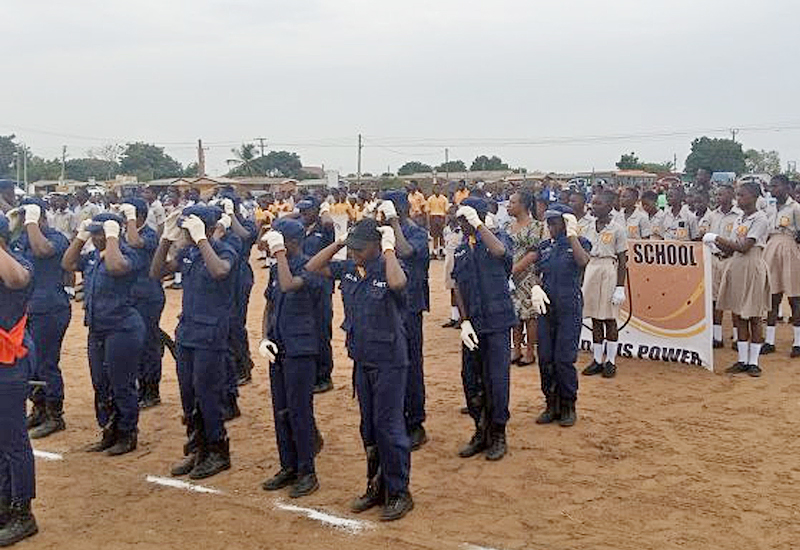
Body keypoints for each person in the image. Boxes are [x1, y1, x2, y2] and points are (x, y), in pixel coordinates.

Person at [305, 218, 413, 520]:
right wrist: (340, 243)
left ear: (376, 246)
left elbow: (398, 284)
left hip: (390, 361)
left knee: (389, 427)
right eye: (351, 248)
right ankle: (376, 486)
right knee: (369, 427)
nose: (354, 253)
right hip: (362, 359)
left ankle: (399, 492)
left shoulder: (388, 268)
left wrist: (389, 249)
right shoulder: (350, 268)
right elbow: (313, 267)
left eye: (359, 248)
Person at [150, 205, 238, 479]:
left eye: (191, 228)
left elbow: (220, 272)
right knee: (189, 393)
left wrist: (203, 240)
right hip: (188, 333)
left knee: (208, 394)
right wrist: (166, 238)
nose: (186, 233)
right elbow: (156, 272)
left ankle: (218, 451)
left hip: (211, 334)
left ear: (209, 229)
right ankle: (198, 448)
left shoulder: (224, 250)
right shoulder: (188, 253)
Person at [62, 213, 146, 456]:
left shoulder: (128, 255)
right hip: (98, 329)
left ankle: (127, 433)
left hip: (123, 328)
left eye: (101, 233)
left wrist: (112, 237)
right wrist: (81, 237)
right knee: (100, 383)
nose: (97, 238)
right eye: (95, 233)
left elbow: (115, 267)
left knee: (122, 383)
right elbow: (67, 263)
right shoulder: (92, 258)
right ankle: (108, 431)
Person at [259, 218, 323, 498]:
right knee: (281, 411)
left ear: (293, 243)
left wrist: (280, 254)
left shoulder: (312, 267)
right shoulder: (276, 268)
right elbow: (269, 304)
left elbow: (288, 285)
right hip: (279, 346)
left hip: (301, 349)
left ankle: (307, 470)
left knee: (299, 412)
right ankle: (288, 466)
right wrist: (264, 337)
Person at [452, 197, 516, 461]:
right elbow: (458, 285)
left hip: (497, 322)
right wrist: (463, 320)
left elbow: (501, 253)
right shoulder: (461, 248)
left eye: (465, 220)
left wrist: (479, 224)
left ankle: (498, 433)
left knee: (497, 381)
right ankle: (480, 430)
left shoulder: (498, 238)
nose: (461, 225)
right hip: (473, 324)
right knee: (471, 380)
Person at [10, 198, 71, 439]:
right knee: (29, 365)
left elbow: (41, 250)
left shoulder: (56, 237)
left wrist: (32, 221)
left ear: (40, 218)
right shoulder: (22, 239)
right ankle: (39, 407)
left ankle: (55, 415)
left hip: (51, 309)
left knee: (46, 363)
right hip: (27, 311)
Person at [378, 190, 431, 451]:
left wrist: (395, 223)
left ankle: (415, 423)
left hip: (409, 308)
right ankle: (396, 418)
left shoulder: (416, 232)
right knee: (389, 366)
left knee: (410, 365)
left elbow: (407, 252)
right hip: (385, 308)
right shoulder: (382, 233)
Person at [0, 212, 39, 546]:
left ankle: (23, 513)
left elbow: (15, 281)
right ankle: (3, 503)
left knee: (14, 442)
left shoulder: (20, 261)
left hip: (8, 366)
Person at [705, 182, 771, 377]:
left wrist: (717, 238)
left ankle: (754, 361)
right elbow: (732, 247)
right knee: (737, 314)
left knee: (754, 315)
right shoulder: (740, 219)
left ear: (754, 197)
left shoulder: (760, 219)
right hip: (736, 266)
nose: (739, 199)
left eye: (742, 195)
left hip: (752, 267)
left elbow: (744, 247)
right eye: (738, 196)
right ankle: (742, 359)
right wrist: (714, 246)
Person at [534, 204, 591, 427]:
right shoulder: (545, 246)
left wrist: (572, 234)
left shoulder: (579, 243)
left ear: (565, 223)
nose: (550, 227)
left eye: (554, 222)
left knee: (564, 359)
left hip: (569, 307)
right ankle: (551, 403)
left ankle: (568, 404)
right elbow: (538, 271)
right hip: (547, 308)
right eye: (548, 223)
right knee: (546, 359)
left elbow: (583, 262)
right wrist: (536, 287)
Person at [118, 198, 166, 409]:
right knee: (135, 345)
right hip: (130, 297)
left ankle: (151, 391)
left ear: (139, 217)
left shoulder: (149, 235)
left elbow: (134, 243)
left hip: (148, 296)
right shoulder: (123, 234)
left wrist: (129, 219)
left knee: (149, 345)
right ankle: (140, 386)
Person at [581, 190, 628, 378]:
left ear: (609, 207)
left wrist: (620, 287)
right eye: (593, 203)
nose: (594, 206)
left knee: (609, 318)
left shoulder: (617, 229)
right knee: (595, 318)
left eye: (599, 203)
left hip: (609, 269)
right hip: (592, 269)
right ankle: (597, 359)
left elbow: (623, 260)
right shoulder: (588, 227)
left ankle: (611, 361)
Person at [293, 197, 336, 393]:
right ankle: (312, 374)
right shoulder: (299, 229)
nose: (303, 215)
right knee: (307, 330)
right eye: (301, 211)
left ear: (317, 211)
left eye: (307, 211)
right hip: (303, 285)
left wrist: (324, 210)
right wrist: (298, 213)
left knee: (321, 331)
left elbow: (328, 221)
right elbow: (278, 223)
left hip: (321, 285)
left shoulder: (324, 229)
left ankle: (324, 376)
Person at [761, 175, 800, 357]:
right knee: (772, 296)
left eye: (776, 186)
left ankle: (798, 342)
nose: (772, 190)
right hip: (771, 248)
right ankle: (769, 341)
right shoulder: (770, 208)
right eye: (771, 187)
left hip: (789, 248)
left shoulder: (795, 208)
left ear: (785, 187)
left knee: (794, 296)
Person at [507, 191, 545, 366]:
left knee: (530, 316)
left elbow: (534, 253)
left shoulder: (535, 226)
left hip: (528, 276)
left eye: (512, 202)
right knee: (514, 314)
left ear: (523, 206)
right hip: (510, 277)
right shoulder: (508, 226)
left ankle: (529, 351)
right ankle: (516, 350)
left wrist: (515, 269)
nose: (508, 205)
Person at [709, 184, 741, 348]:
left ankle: (737, 337)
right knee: (715, 299)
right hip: (715, 259)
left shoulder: (739, 215)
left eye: (721, 194)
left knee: (735, 298)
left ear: (731, 195)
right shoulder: (713, 215)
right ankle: (717, 336)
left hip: (732, 259)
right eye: (717, 194)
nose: (718, 197)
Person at [441, 207, 463, 328]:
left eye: (452, 214)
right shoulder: (446, 229)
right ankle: (454, 317)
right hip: (449, 261)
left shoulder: (462, 230)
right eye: (448, 213)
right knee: (452, 290)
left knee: (459, 289)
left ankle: (462, 316)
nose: (450, 216)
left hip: (459, 261)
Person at [427, 184, 449, 259]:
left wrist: (445, 222)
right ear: (433, 190)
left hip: (441, 218)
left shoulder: (444, 199)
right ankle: (435, 252)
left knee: (442, 236)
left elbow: (446, 212)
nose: (437, 190)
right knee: (435, 236)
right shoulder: (430, 199)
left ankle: (443, 251)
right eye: (436, 189)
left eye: (439, 189)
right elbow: (428, 212)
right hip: (433, 217)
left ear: (441, 190)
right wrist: (428, 223)